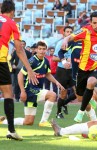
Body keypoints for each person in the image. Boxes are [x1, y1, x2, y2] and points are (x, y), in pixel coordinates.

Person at [0, 41, 64, 127]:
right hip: (30, 90)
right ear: (36, 50)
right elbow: (20, 75)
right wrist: (22, 91)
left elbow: (47, 74)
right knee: (52, 95)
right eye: (40, 49)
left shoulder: (46, 61)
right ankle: (43, 121)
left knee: (28, 122)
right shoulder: (32, 61)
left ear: (46, 50)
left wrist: (56, 82)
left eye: (44, 49)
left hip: (35, 91)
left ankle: (3, 122)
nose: (42, 51)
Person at [0, 0, 38, 141]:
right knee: (8, 93)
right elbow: (19, 49)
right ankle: (11, 131)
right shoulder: (11, 23)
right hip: (0, 60)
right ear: (12, 11)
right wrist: (29, 69)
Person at [53, 26, 75, 119]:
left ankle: (64, 103)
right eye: (67, 32)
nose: (69, 33)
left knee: (78, 92)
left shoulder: (75, 43)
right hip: (62, 71)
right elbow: (54, 58)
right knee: (63, 93)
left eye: (71, 32)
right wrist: (65, 60)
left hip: (73, 70)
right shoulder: (60, 44)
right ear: (64, 33)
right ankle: (58, 112)